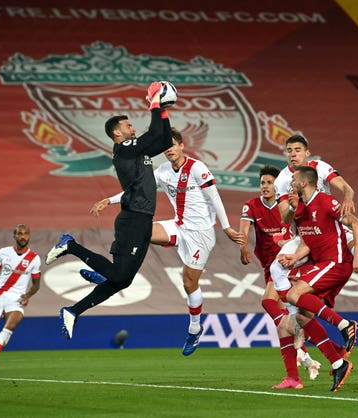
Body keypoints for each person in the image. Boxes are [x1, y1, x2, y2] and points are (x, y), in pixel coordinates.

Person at [90, 127, 245, 356]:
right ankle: (115, 273)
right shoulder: (162, 171)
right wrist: (109, 200)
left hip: (200, 234)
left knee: (189, 283)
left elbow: (215, 197)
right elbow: (137, 191)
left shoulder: (197, 167)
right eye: (166, 146)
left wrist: (227, 227)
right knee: (138, 230)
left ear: (182, 145)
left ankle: (194, 328)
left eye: (173, 144)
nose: (170, 149)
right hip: (178, 225)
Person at [45, 82, 173, 339]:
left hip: (143, 217)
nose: (132, 128)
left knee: (122, 281)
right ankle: (70, 246)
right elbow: (153, 132)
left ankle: (72, 311)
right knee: (118, 275)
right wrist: (155, 104)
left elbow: (165, 138)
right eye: (127, 126)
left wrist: (165, 110)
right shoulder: (124, 150)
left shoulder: (138, 151)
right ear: (117, 134)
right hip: (133, 218)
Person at [272, 134, 358, 324]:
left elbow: (347, 188)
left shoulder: (320, 167)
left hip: (332, 229)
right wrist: (292, 206)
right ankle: (293, 314)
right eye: (289, 151)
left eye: (297, 150)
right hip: (305, 235)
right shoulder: (282, 179)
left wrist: (347, 197)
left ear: (307, 152)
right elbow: (285, 218)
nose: (293, 155)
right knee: (276, 267)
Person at [278, 165, 358, 392]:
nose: (291, 180)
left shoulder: (326, 201)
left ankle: (345, 325)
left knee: (293, 294)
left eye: (294, 178)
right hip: (319, 264)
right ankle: (338, 362)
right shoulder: (301, 208)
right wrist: (295, 256)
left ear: (304, 182)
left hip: (336, 263)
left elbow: (357, 224)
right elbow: (307, 240)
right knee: (302, 318)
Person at [239, 165, 321, 389]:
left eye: (269, 183)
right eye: (262, 183)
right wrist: (243, 246)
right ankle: (301, 366)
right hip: (269, 265)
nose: (265, 187)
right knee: (285, 321)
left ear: (277, 186)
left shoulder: (286, 205)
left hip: (287, 263)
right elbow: (244, 229)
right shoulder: (251, 206)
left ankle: (311, 356)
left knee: (268, 302)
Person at [0, 224, 41, 373]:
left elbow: (36, 284)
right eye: (20, 234)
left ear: (29, 236)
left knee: (9, 326)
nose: (23, 236)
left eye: (26, 234)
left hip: (16, 299)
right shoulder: (3, 253)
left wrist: (28, 295)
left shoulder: (34, 259)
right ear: (14, 236)